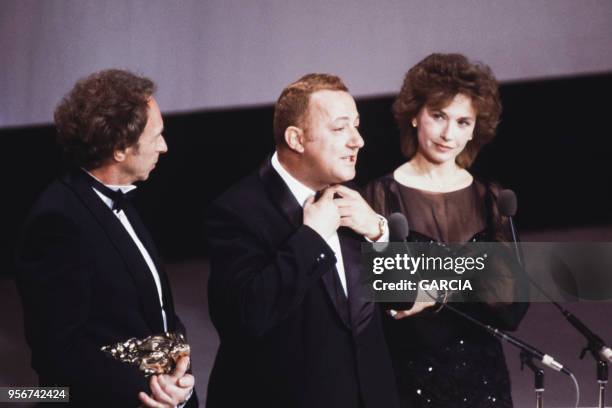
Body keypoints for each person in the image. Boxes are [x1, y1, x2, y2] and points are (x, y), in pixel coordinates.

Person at [205, 73, 400, 408]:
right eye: (340, 129)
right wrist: (311, 237)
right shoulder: (236, 210)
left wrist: (379, 234)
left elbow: (405, 298)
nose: (358, 140)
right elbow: (246, 318)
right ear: (296, 139)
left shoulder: (354, 200)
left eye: (356, 125)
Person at [15, 69, 196, 407]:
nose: (165, 146)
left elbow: (156, 311)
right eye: (156, 136)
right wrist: (147, 390)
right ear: (119, 149)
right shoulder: (58, 222)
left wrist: (178, 373)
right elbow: (58, 354)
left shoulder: (119, 198)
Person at [365, 54, 529, 407]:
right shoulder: (380, 195)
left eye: (462, 121)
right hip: (409, 380)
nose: (447, 133)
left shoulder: (492, 198)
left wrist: (434, 289)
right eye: (438, 116)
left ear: (474, 129)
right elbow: (383, 299)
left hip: (484, 381)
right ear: (414, 115)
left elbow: (513, 306)